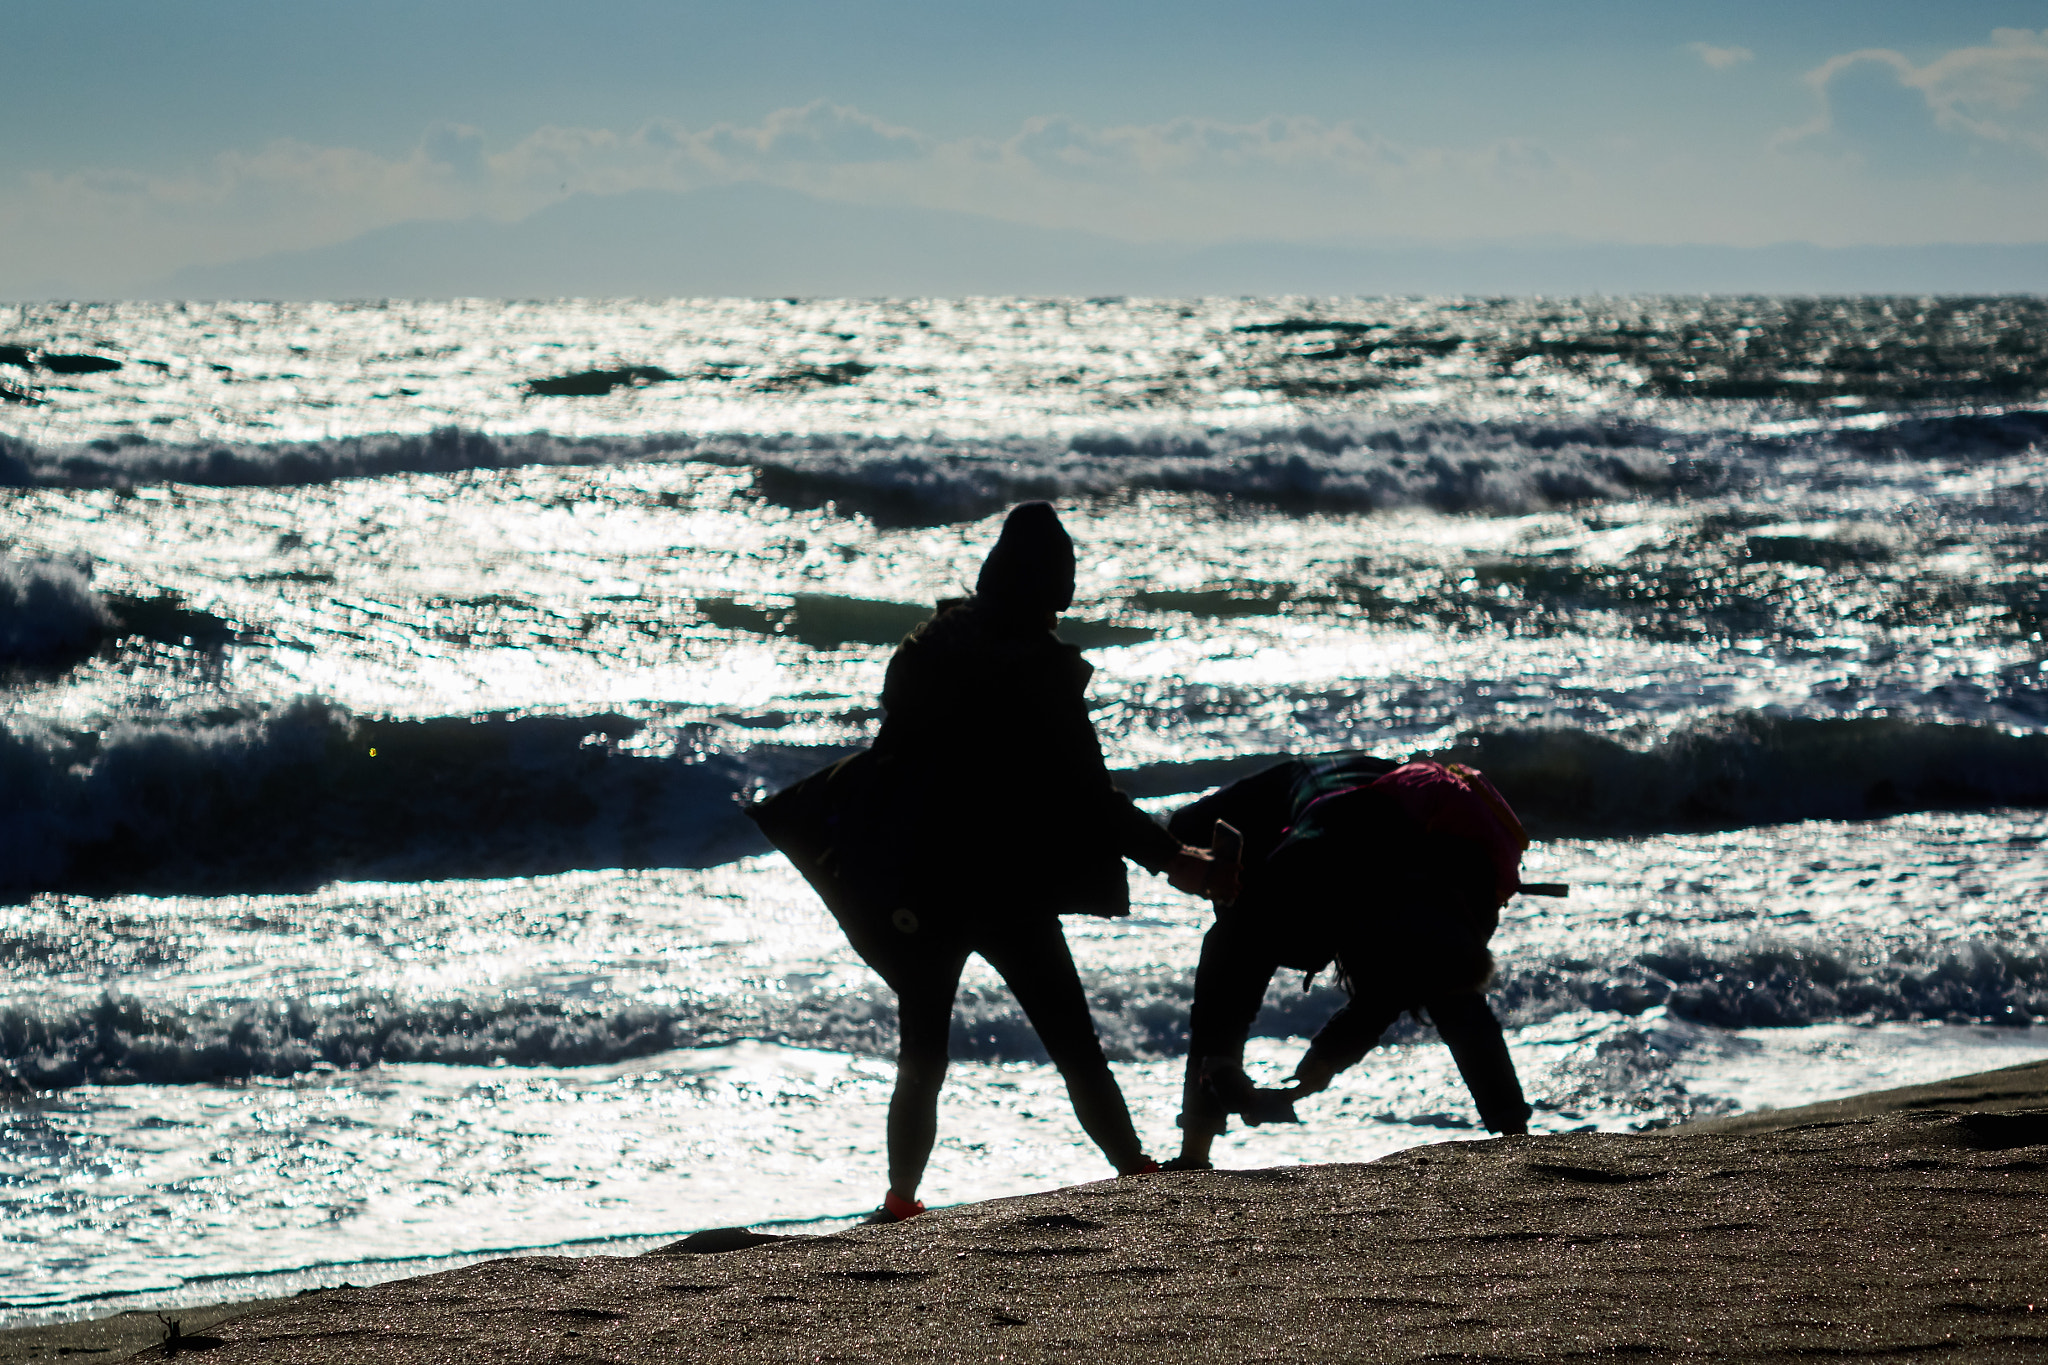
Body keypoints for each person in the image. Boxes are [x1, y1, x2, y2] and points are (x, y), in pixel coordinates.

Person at [748, 501, 1235, 1221]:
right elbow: (1089, 796)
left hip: (922, 874)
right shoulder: (1040, 672)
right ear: (1057, 589)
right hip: (1009, 885)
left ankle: (901, 1196)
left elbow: (895, 753)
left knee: (922, 1053)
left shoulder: (925, 648)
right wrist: (1173, 858)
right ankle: (1131, 1164)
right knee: (1073, 1040)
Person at [1164, 753, 1535, 1170]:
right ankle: (1195, 1149)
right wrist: (1222, 1060)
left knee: (1452, 989)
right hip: (1308, 806)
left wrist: (1314, 1070)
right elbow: (1231, 958)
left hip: (1380, 811)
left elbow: (1391, 995)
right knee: (1235, 934)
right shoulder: (1295, 879)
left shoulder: (1459, 897)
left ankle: (1513, 1136)